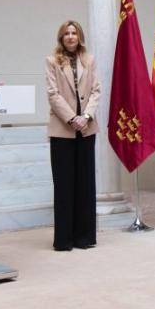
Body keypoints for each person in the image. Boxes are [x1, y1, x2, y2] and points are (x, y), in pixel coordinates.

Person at [44, 20, 100, 251]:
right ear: (61, 37)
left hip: (86, 128)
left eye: (74, 33)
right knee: (64, 184)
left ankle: (84, 237)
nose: (70, 37)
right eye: (66, 33)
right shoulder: (52, 61)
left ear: (80, 37)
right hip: (63, 129)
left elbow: (96, 91)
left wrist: (85, 117)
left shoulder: (90, 60)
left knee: (85, 183)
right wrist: (72, 118)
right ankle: (64, 239)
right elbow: (53, 94)